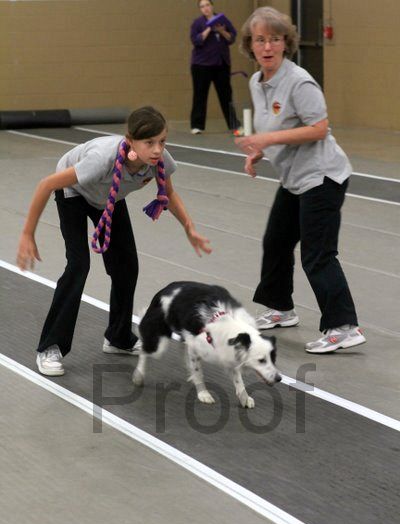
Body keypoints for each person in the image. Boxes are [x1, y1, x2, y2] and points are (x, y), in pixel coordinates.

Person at [17, 106, 212, 376]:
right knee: (78, 265)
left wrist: (189, 227)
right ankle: (50, 346)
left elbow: (169, 192)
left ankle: (118, 337)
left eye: (162, 141)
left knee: (126, 266)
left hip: (108, 199)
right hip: (73, 192)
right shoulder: (101, 160)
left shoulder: (160, 160)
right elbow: (46, 184)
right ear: (130, 141)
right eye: (149, 143)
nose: (157, 149)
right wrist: (28, 234)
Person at [236, 7, 366, 354]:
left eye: (274, 39)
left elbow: (319, 128)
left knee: (317, 254)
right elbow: (273, 129)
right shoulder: (256, 82)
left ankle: (344, 326)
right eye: (260, 40)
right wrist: (258, 152)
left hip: (322, 177)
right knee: (276, 241)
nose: (267, 46)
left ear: (285, 43)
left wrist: (266, 142)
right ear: (251, 45)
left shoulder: (299, 81)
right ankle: (280, 308)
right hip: (294, 178)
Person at [190, 0, 243, 135]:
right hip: (201, 65)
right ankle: (197, 125)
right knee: (200, 95)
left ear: (212, 6)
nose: (206, 8)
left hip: (221, 64)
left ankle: (234, 125)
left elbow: (232, 38)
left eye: (207, 5)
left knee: (226, 96)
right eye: (202, 6)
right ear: (200, 9)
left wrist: (221, 30)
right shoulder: (198, 23)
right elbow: (196, 41)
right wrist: (209, 28)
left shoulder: (223, 20)